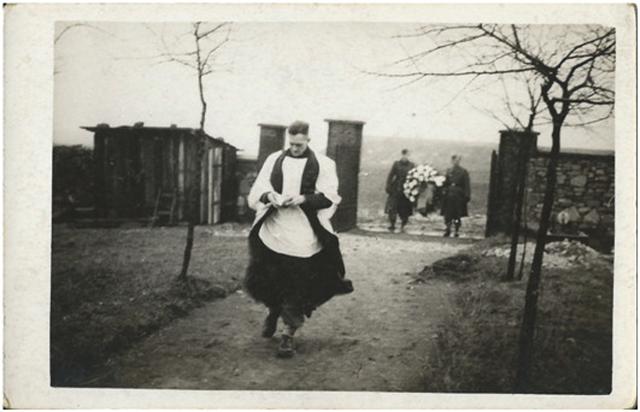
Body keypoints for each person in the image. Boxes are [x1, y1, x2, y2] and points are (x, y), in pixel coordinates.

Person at [244, 120, 353, 358]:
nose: (294, 148)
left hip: (304, 232)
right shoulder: (275, 160)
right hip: (275, 228)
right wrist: (270, 195)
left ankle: (288, 334)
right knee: (272, 278)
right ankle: (273, 312)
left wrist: (303, 199)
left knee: (297, 283)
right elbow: (258, 189)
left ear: (308, 140)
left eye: (299, 145)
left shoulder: (324, 164)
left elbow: (330, 197)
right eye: (291, 144)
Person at [385, 149, 416, 232]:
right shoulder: (396, 164)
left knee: (405, 208)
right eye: (404, 155)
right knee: (392, 207)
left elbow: (414, 178)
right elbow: (391, 175)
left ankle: (403, 225)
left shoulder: (412, 165)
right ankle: (392, 224)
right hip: (396, 188)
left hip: (406, 189)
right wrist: (388, 186)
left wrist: (413, 189)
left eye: (407, 155)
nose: (405, 157)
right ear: (401, 155)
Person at [441, 155, 471, 237]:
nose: (456, 162)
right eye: (454, 160)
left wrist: (467, 196)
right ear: (452, 161)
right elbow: (445, 183)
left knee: (457, 214)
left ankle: (456, 230)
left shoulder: (463, 172)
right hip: (449, 195)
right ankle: (448, 228)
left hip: (458, 196)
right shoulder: (448, 171)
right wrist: (443, 191)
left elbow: (466, 185)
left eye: (458, 160)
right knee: (447, 214)